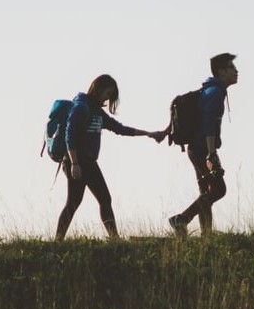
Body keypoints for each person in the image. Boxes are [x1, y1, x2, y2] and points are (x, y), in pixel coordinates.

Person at [56, 74, 165, 240]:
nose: (107, 99)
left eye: (110, 95)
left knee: (95, 200)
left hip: (89, 162)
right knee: (83, 201)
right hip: (77, 162)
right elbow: (69, 136)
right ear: (98, 89)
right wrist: (74, 163)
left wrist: (148, 134)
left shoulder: (96, 111)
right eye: (107, 93)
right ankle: (62, 240)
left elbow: (119, 128)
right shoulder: (81, 107)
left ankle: (113, 238)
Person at [168, 52, 238, 237]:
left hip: (197, 148)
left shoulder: (211, 90)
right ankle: (181, 219)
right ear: (221, 72)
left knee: (206, 191)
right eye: (232, 67)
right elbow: (209, 125)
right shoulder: (215, 93)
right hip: (201, 149)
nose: (236, 71)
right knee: (218, 189)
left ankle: (206, 234)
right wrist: (211, 154)